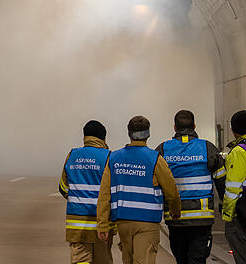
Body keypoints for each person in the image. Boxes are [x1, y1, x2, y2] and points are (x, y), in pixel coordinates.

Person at [97, 115, 181, 264]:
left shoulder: (114, 158)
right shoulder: (155, 159)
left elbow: (104, 194)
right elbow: (171, 191)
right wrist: (175, 211)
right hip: (147, 222)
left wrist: (102, 224)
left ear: (129, 133)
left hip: (123, 222)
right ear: (148, 134)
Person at [156, 110, 226, 264]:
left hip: (175, 217)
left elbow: (154, 183)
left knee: (181, 258)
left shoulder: (163, 150)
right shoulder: (208, 148)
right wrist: (226, 207)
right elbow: (222, 182)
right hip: (202, 219)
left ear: (175, 127)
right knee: (197, 259)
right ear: (194, 125)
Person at [59, 120, 112, 264]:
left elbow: (63, 187)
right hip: (101, 222)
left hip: (77, 223)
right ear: (103, 138)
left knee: (80, 259)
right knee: (103, 259)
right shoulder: (109, 156)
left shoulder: (72, 155)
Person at [221, 110, 246, 262]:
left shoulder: (239, 151)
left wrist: (228, 216)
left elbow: (233, 188)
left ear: (233, 129)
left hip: (242, 217)